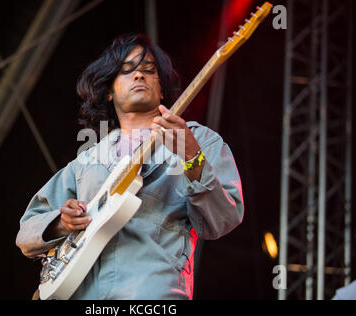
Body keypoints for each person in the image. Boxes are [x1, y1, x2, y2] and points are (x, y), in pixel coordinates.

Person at [16, 33, 244, 300]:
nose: (139, 75)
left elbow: (224, 219)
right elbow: (27, 231)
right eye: (127, 71)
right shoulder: (86, 161)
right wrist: (61, 222)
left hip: (150, 293)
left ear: (161, 90)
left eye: (149, 70)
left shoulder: (198, 140)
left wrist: (193, 157)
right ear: (109, 92)